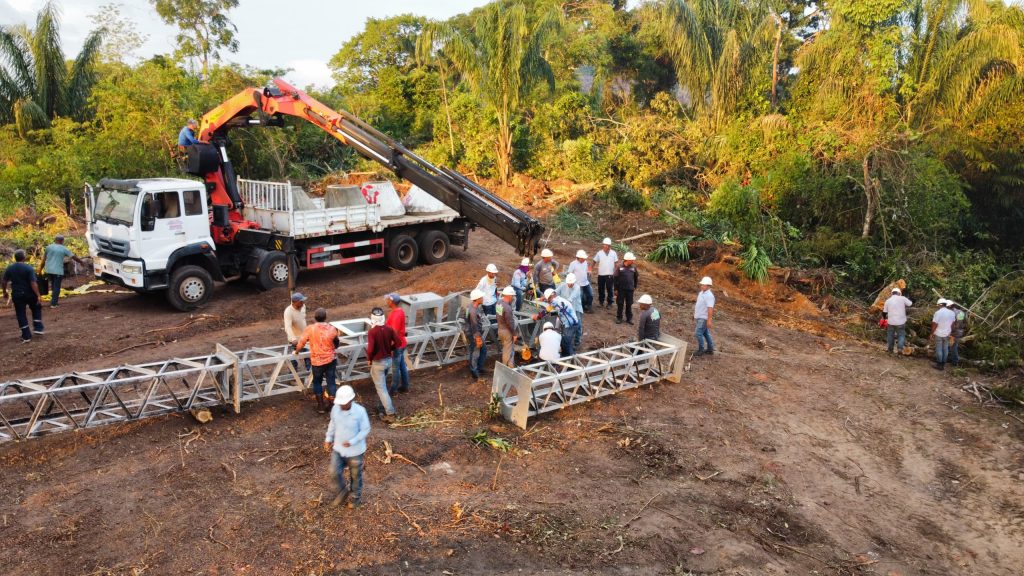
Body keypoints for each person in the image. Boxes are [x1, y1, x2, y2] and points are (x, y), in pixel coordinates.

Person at [324, 385, 370, 509]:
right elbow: (332, 424)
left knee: (355, 476)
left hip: (355, 451)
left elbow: (365, 429)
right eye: (340, 403)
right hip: (339, 449)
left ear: (351, 400)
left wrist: (352, 441)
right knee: (333, 472)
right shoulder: (335, 409)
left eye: (344, 403)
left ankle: (355, 498)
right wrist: (328, 438)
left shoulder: (360, 412)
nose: (342, 405)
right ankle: (343, 491)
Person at [295, 308, 341, 413]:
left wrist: (297, 351)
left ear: (315, 318)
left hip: (317, 361)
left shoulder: (310, 329)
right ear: (325, 317)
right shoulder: (332, 328)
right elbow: (337, 343)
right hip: (330, 360)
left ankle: (320, 406)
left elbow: (301, 342)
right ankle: (332, 406)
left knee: (317, 382)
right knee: (331, 381)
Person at [2, 250, 44, 343]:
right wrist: (38, 295)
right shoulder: (28, 268)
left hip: (17, 294)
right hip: (30, 293)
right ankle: (38, 327)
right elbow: (33, 283)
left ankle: (26, 335)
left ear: (15, 258)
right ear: (24, 258)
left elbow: (4, 281)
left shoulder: (10, 268)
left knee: (20, 313)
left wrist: (5, 292)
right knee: (36, 307)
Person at [366, 307, 400, 421]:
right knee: (382, 385)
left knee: (381, 388)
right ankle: (380, 406)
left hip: (378, 363)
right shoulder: (389, 329)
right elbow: (398, 342)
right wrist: (390, 348)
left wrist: (369, 359)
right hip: (388, 361)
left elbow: (370, 349)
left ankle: (390, 413)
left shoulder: (372, 332)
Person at [533, 288, 580, 357]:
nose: (548, 300)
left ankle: (571, 359)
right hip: (572, 323)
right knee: (564, 341)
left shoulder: (554, 302)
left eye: (548, 299)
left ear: (550, 297)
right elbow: (552, 302)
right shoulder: (559, 299)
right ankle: (566, 357)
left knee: (566, 343)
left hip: (570, 325)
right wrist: (544, 299)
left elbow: (546, 311)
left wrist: (537, 316)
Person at [42, 235, 84, 308]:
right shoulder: (64, 249)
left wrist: (40, 269)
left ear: (55, 240)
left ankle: (53, 301)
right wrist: (81, 262)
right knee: (56, 287)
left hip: (48, 270)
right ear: (62, 241)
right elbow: (73, 257)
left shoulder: (48, 247)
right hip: (57, 270)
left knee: (53, 285)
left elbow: (43, 259)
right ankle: (54, 304)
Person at [384, 294, 409, 395]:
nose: (386, 301)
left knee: (395, 368)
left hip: (397, 345)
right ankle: (405, 386)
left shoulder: (396, 314)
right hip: (401, 343)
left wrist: (390, 347)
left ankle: (393, 389)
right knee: (402, 365)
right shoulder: (399, 311)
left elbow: (394, 332)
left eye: (388, 300)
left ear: (392, 301)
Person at [284, 292, 311, 372]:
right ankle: (293, 375)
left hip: (305, 338)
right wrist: (293, 339)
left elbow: (302, 319)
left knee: (308, 357)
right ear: (294, 302)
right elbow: (288, 327)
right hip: (295, 340)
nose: (303, 303)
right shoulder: (288, 311)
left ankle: (310, 374)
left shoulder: (303, 307)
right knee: (294, 359)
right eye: (301, 301)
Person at [464, 289, 487, 379]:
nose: (483, 298)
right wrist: (477, 338)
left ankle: (479, 368)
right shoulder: (473, 311)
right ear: (477, 299)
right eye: (481, 297)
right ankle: (474, 371)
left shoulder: (470, 306)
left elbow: (465, 318)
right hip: (474, 334)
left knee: (483, 350)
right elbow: (474, 326)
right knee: (475, 352)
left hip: (473, 333)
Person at [882, 287, 913, 355]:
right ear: (899, 293)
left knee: (890, 335)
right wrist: (908, 297)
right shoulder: (903, 298)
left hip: (891, 322)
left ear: (892, 293)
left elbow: (884, 312)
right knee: (901, 335)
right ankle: (899, 349)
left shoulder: (888, 300)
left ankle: (890, 349)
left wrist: (884, 319)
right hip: (901, 322)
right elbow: (910, 304)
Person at [557, 273, 584, 348]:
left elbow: (571, 298)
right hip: (565, 309)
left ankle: (577, 342)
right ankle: (566, 341)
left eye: (571, 283)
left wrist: (561, 304)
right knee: (564, 324)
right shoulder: (562, 285)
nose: (570, 284)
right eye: (569, 283)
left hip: (576, 308)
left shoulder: (577, 288)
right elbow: (556, 292)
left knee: (578, 325)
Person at [495, 286, 520, 367]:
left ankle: (510, 365)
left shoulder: (499, 303)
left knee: (508, 348)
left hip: (500, 329)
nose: (513, 297)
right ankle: (504, 367)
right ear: (509, 296)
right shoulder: (507, 308)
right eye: (512, 296)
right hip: (507, 332)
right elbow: (510, 323)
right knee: (507, 351)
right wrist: (514, 334)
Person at [613, 252, 639, 325]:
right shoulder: (619, 267)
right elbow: (615, 278)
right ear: (627, 260)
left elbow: (636, 277)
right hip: (621, 289)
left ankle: (629, 318)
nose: (633, 261)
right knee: (620, 303)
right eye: (632, 260)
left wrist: (635, 286)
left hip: (630, 289)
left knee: (629, 304)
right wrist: (615, 289)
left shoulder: (633, 267)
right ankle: (619, 318)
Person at [931, 298, 956, 371]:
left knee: (939, 349)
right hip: (947, 334)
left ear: (940, 305)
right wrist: (950, 332)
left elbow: (934, 324)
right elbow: (952, 324)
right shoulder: (952, 313)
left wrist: (932, 333)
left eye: (938, 305)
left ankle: (939, 364)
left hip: (938, 333)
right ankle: (943, 364)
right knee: (945, 349)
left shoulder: (938, 313)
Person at [593, 238, 618, 309]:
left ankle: (609, 303)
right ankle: (601, 302)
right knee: (601, 288)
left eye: (607, 245)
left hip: (610, 274)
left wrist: (616, 272)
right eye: (605, 245)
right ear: (603, 245)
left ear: (610, 246)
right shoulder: (599, 253)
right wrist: (590, 269)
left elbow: (616, 263)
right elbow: (594, 261)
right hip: (601, 274)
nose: (606, 246)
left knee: (609, 289)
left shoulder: (613, 253)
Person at [694, 276, 715, 356]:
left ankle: (701, 350)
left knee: (698, 333)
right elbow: (699, 305)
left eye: (703, 285)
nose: (701, 286)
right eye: (702, 284)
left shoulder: (709, 296)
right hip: (699, 316)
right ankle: (710, 349)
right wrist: (695, 314)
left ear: (708, 286)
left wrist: (709, 320)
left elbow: (710, 308)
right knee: (705, 333)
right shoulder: (701, 293)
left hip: (703, 318)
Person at [950, 301, 967, 367]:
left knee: (953, 347)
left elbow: (953, 324)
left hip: (953, 332)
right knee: (953, 346)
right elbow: (965, 322)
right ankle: (952, 360)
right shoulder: (962, 313)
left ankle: (955, 362)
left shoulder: (952, 312)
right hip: (959, 331)